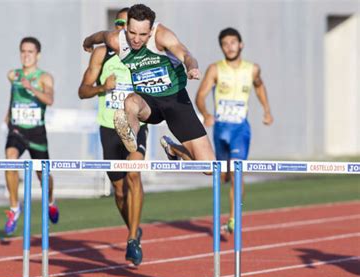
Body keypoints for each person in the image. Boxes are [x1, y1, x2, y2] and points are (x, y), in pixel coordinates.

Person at [83, 4, 215, 165]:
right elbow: (101, 36)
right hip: (147, 102)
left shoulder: (162, 36)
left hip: (175, 100)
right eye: (132, 33)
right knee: (130, 101)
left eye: (142, 34)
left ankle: (173, 148)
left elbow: (185, 54)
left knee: (208, 166)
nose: (136, 39)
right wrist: (88, 42)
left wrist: (192, 67)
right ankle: (130, 134)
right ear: (126, 28)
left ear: (151, 31)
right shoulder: (117, 40)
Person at [78, 8, 147, 266]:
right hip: (108, 128)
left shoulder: (143, 57)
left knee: (134, 172)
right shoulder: (102, 53)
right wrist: (101, 88)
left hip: (135, 127)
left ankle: (132, 240)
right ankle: (134, 227)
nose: (121, 29)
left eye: (125, 25)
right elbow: (82, 91)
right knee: (118, 192)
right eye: (117, 23)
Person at [193, 27, 274, 233]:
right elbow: (200, 95)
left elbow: (259, 85)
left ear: (241, 44)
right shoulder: (215, 69)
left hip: (240, 129)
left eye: (233, 42)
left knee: (237, 172)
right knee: (221, 175)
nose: (229, 47)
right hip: (221, 128)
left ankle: (233, 218)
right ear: (221, 47)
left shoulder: (252, 69)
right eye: (225, 44)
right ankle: (223, 207)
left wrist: (266, 110)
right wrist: (206, 113)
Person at [3, 37, 59, 235]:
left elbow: (50, 99)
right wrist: (9, 113)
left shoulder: (44, 78)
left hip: (36, 131)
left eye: (30, 52)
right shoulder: (13, 75)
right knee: (10, 160)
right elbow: (13, 94)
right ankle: (14, 208)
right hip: (17, 129)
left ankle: (51, 201)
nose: (26, 55)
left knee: (42, 176)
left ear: (38, 55)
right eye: (23, 51)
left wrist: (32, 88)